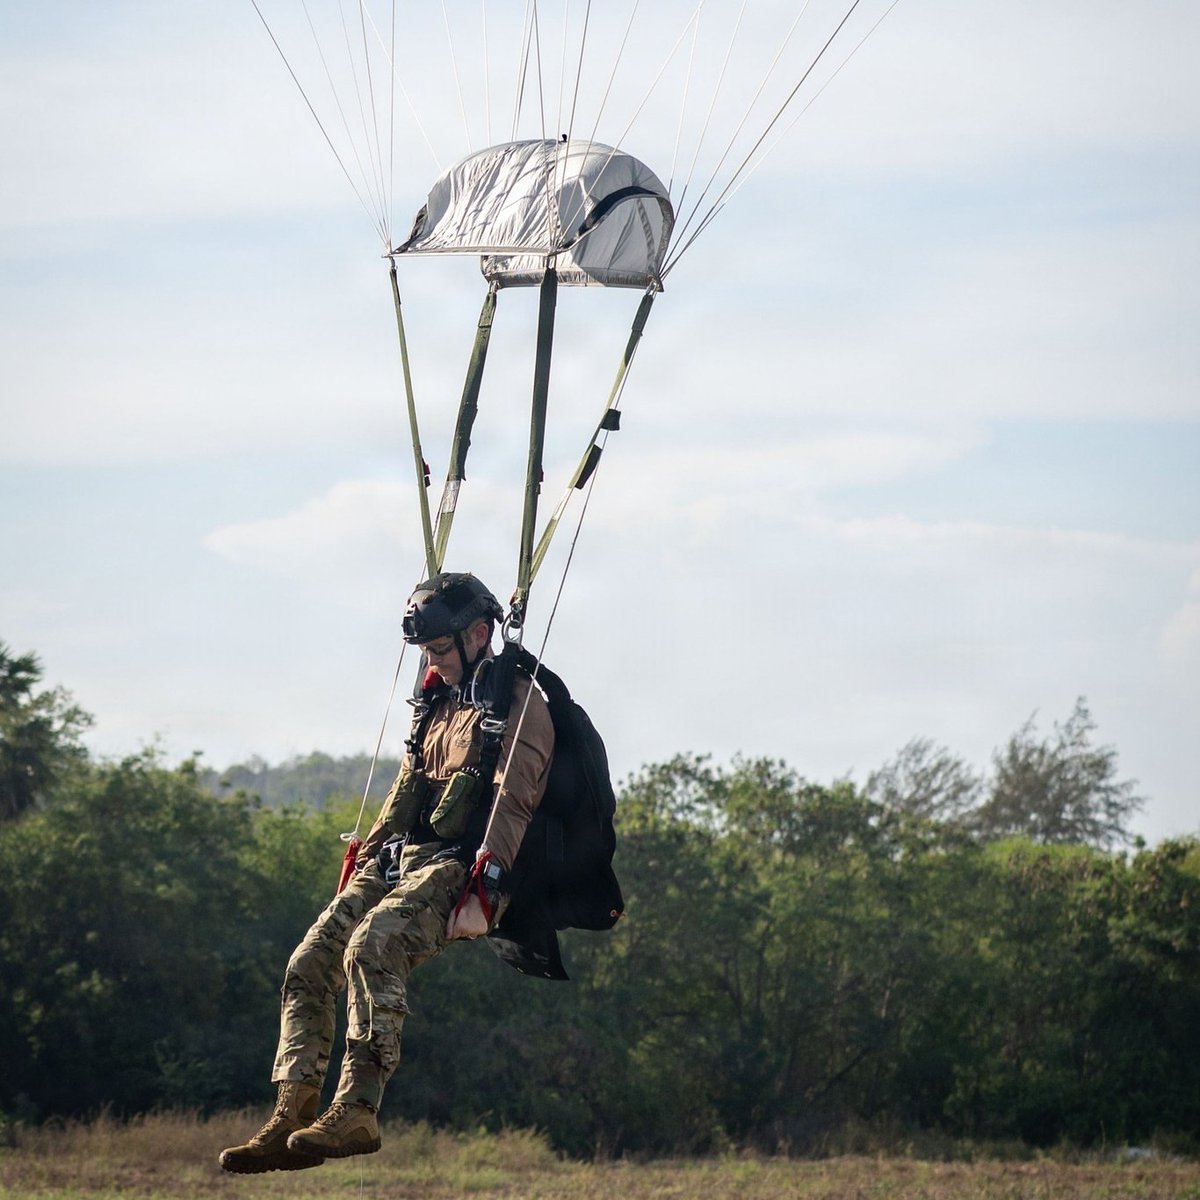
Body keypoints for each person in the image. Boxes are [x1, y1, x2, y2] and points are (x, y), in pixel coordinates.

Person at [219, 572, 555, 1173]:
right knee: (310, 960)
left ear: (481, 634)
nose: (433, 660)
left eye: (440, 648)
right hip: (400, 859)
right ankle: (293, 1110)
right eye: (426, 650)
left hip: (461, 868)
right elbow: (405, 791)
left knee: (371, 946)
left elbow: (514, 800)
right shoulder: (435, 702)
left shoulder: (518, 705)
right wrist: (364, 863)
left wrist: (487, 886)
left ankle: (357, 1109)